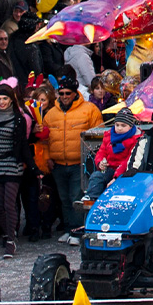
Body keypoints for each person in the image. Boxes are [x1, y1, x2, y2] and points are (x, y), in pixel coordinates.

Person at [43, 71, 102, 242]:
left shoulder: (89, 110)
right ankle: (70, 229)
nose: (64, 96)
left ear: (75, 93)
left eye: (68, 93)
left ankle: (77, 231)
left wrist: (92, 161)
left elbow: (97, 137)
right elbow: (45, 140)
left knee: (77, 197)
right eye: (61, 94)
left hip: (79, 162)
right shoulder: (51, 113)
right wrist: (47, 157)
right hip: (59, 163)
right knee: (64, 198)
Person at [0, 81, 30, 258]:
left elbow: (23, 144)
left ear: (11, 100)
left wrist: (31, 166)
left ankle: (11, 238)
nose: (2, 102)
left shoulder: (18, 118)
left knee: (9, 203)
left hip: (12, 164)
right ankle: (7, 230)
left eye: (5, 98)